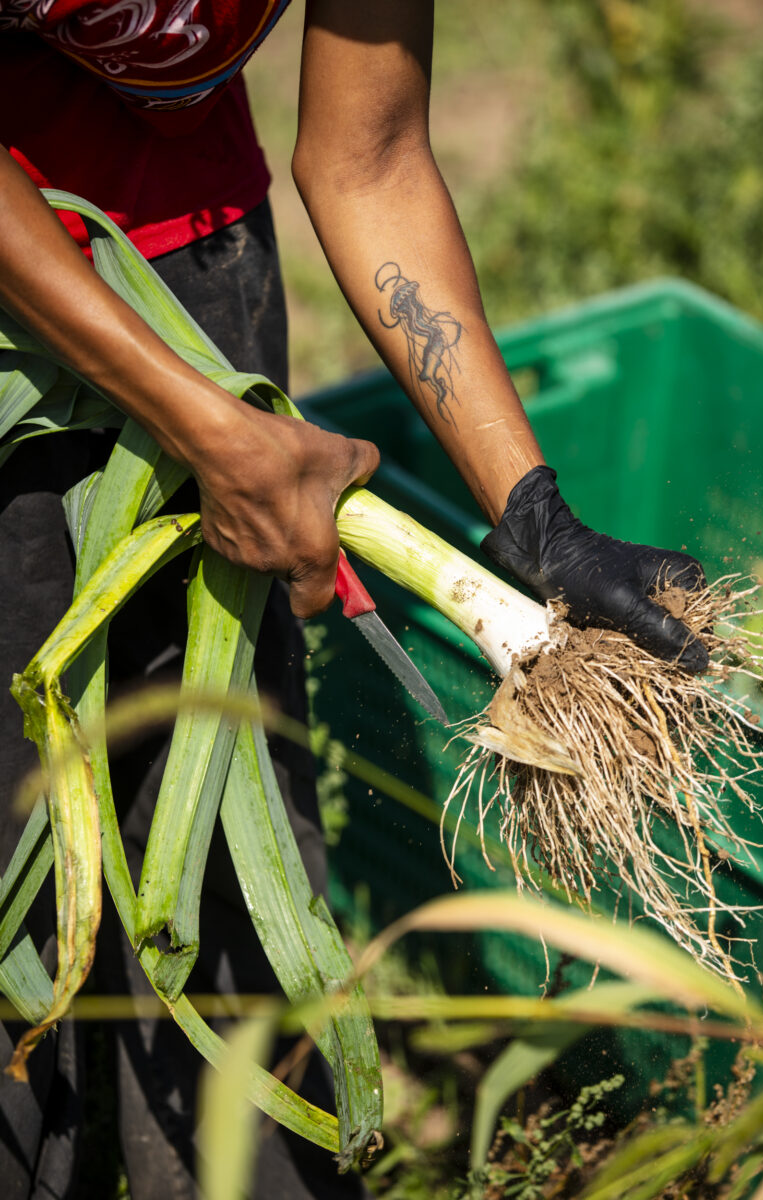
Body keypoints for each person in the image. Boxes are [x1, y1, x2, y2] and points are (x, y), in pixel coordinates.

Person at [0, 2, 708, 1196]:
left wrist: (529, 509)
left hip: (196, 257)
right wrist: (205, 431)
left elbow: (367, 156)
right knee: (17, 854)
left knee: (223, 834)